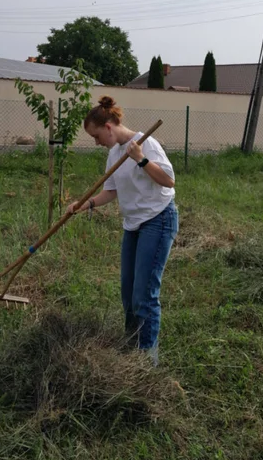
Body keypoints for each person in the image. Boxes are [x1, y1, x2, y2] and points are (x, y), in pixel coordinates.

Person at [67, 96, 179, 365]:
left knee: (144, 295)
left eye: (96, 136)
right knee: (128, 294)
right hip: (134, 225)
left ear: (108, 126)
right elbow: (111, 191)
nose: (96, 142)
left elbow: (169, 180)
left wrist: (141, 159)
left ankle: (147, 361)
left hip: (158, 219)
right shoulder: (114, 153)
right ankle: (131, 346)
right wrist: (86, 204)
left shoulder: (145, 143)